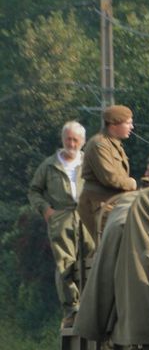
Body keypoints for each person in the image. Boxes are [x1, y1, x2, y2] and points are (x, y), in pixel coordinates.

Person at [28, 120, 95, 327]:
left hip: (87, 216)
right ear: (62, 139)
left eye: (76, 140)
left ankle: (90, 305)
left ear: (83, 142)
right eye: (68, 139)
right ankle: (71, 309)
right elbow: (34, 191)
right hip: (62, 217)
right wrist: (46, 210)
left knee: (92, 260)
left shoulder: (90, 162)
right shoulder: (49, 165)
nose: (72, 143)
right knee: (65, 264)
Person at [78, 104, 136, 242]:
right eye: (128, 123)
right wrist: (132, 183)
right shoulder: (99, 144)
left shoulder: (113, 144)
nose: (132, 127)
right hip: (100, 205)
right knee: (110, 248)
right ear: (113, 125)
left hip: (111, 204)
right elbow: (109, 178)